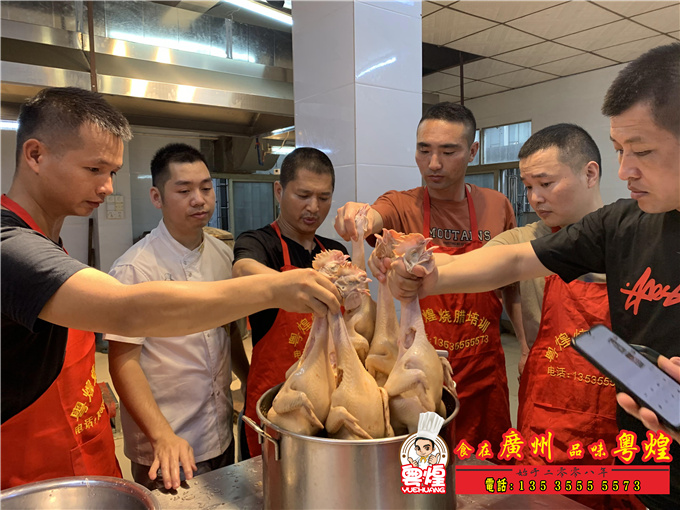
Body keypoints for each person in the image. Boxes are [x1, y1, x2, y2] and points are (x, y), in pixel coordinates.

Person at [384, 43, 679, 510]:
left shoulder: (497, 206)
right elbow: (514, 261)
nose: (626, 170)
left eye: (641, 151)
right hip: (622, 453)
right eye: (621, 150)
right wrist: (429, 275)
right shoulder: (621, 224)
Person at [1, 87, 341, 490]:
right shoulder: (9, 244)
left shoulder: (50, 245)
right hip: (29, 479)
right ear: (36, 155)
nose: (109, 187)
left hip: (86, 460)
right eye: (95, 170)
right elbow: (126, 311)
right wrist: (274, 288)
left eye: (111, 172)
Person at [335, 102, 522, 451]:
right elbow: (374, 216)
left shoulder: (497, 206)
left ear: (472, 152)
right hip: (416, 376)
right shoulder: (401, 205)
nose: (433, 164)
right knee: (425, 479)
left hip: (483, 368)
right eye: (424, 150)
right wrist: (358, 215)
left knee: (485, 480)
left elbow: (512, 284)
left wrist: (525, 347)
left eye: (448, 151)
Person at [488, 124, 642, 510]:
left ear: (590, 173)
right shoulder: (528, 240)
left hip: (620, 419)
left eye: (546, 183)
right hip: (548, 418)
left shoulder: (639, 240)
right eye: (528, 187)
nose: (535, 198)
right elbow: (482, 262)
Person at [104, 144, 248, 490]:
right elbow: (123, 362)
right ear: (157, 197)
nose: (198, 199)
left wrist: (251, 380)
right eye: (184, 190)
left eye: (206, 188)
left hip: (218, 429)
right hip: (167, 443)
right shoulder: (134, 268)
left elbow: (228, 332)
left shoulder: (221, 254)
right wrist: (162, 436)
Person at [233, 147, 348, 458]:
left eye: (324, 198)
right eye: (303, 195)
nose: (313, 207)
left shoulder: (334, 252)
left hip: (329, 401)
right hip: (276, 400)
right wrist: (291, 283)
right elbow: (243, 270)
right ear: (279, 190)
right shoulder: (259, 243)